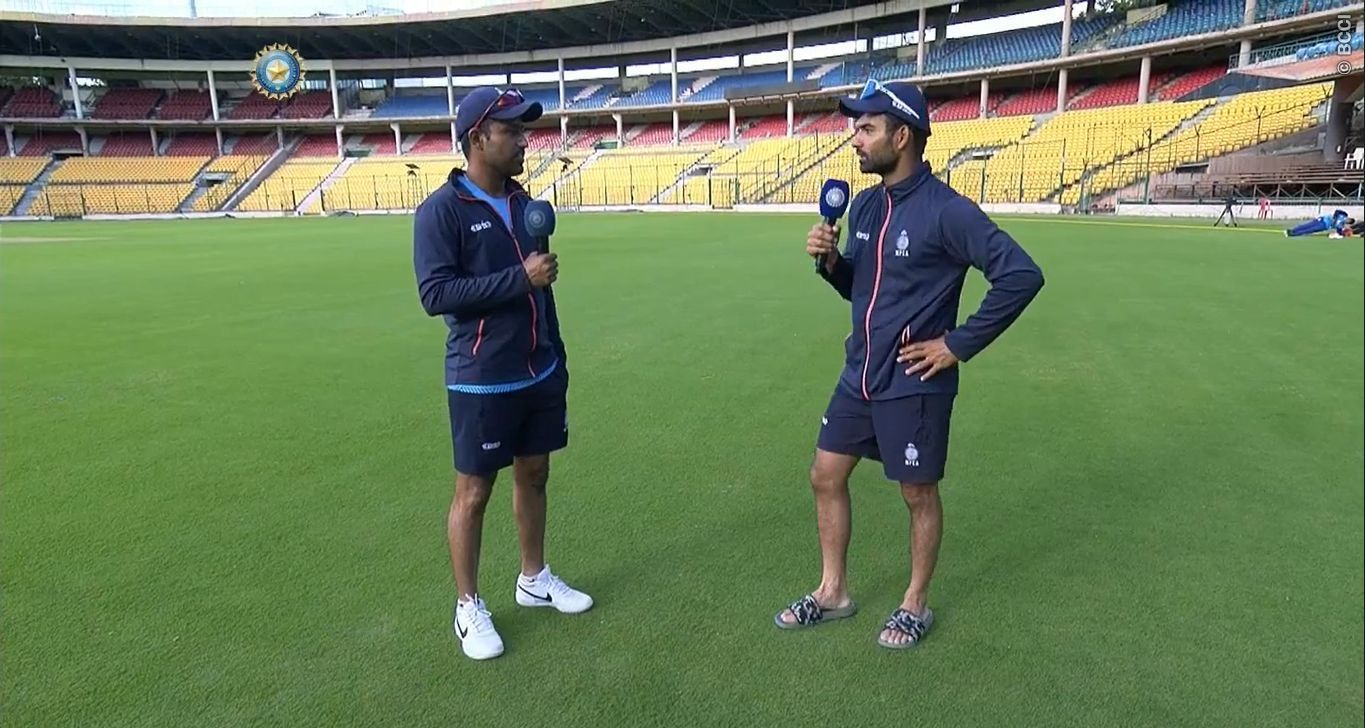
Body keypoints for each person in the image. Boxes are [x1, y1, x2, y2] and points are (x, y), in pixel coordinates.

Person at [775, 79, 1045, 649]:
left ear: (903, 136)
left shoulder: (949, 211)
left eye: (866, 128)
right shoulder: (869, 203)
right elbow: (862, 288)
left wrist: (957, 344)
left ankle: (914, 603)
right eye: (855, 128)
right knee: (825, 476)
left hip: (916, 379)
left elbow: (1021, 275)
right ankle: (833, 592)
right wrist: (831, 264)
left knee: (917, 494)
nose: (854, 139)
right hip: (861, 374)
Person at [413, 86, 592, 662]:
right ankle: (468, 606)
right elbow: (436, 294)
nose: (524, 140)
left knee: (535, 473)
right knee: (474, 491)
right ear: (477, 138)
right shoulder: (441, 210)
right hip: (481, 375)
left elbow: (542, 290)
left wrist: (556, 353)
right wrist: (521, 277)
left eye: (524, 129)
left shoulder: (524, 204)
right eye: (512, 130)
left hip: (538, 368)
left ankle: (533, 577)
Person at [1285, 209, 1351, 238]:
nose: (1347, 221)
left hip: (1324, 226)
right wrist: (1335, 217)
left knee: (1310, 230)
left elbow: (1339, 232)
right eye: (1348, 220)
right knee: (1306, 225)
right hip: (1322, 219)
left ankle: (1294, 234)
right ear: (1349, 218)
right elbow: (1337, 211)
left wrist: (1344, 233)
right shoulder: (1344, 215)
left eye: (1348, 222)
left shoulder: (1340, 225)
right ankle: (1292, 230)